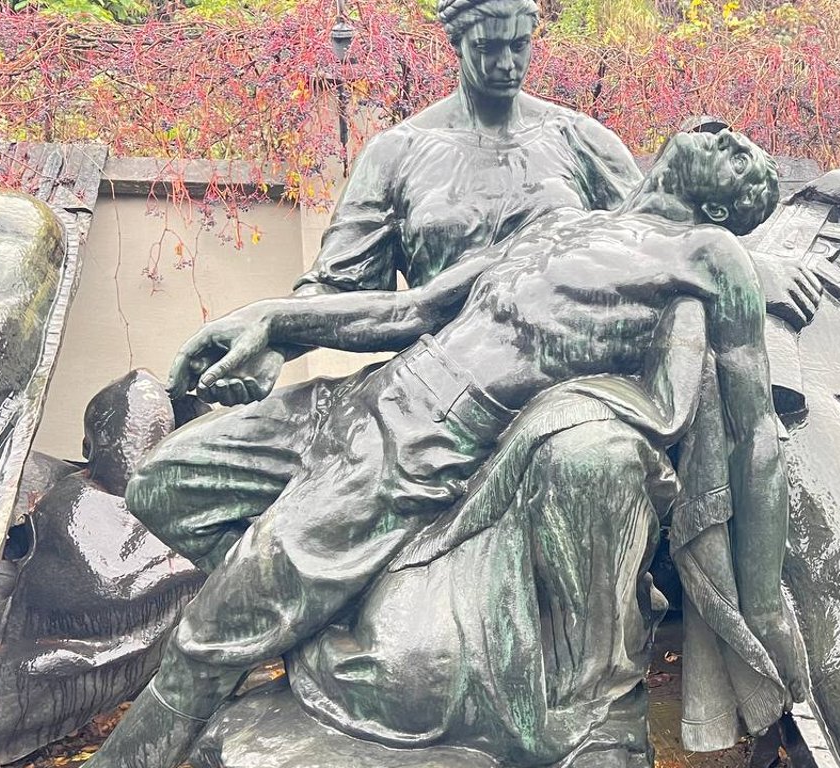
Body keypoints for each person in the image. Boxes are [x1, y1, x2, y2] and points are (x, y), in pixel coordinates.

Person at [90, 129, 806, 768]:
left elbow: (756, 438)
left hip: (426, 444)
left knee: (211, 636)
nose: (727, 134)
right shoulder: (561, 224)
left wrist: (765, 603)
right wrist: (274, 320)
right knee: (163, 485)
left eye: (742, 157)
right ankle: (323, 604)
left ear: (719, 209)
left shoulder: (707, 253)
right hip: (364, 397)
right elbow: (412, 309)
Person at [124, 0, 644, 572]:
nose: (506, 64)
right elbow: (338, 286)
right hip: (420, 386)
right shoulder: (400, 152)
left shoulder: (580, 141)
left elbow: (651, 253)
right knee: (164, 483)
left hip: (554, 387)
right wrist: (276, 343)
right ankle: (328, 606)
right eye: (488, 47)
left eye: (518, 45)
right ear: (457, 43)